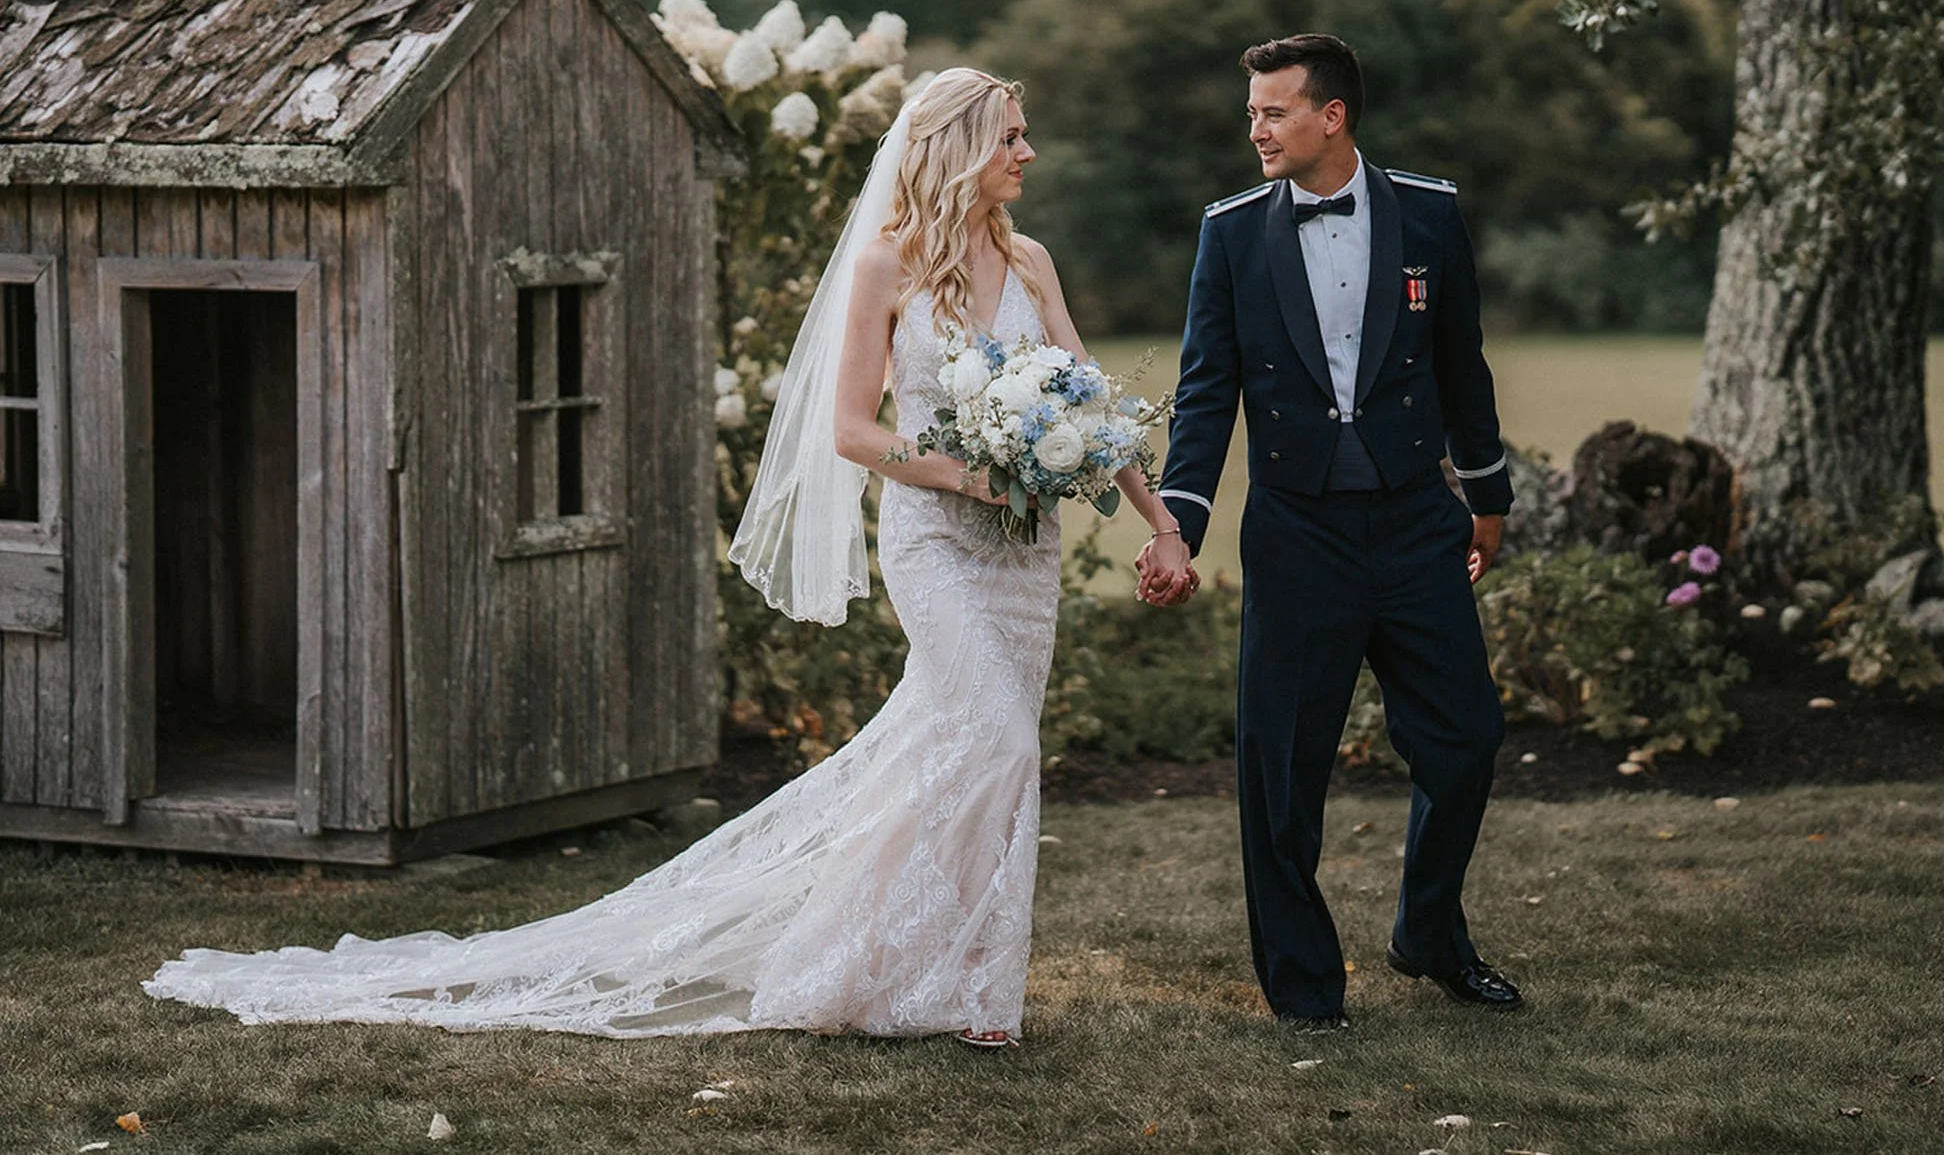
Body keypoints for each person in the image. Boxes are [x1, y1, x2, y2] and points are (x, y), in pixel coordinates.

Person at [144, 67, 1189, 1048]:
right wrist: (970, 476)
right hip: (940, 545)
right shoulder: (888, 262)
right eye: (1013, 135)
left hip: (1022, 555)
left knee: (966, 757)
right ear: (962, 147)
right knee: (992, 740)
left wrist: (1161, 523)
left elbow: (1088, 411)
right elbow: (852, 434)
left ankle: (951, 985)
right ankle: (880, 967)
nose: (1030, 151)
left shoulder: (1029, 262)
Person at [1136, 34, 1522, 1026]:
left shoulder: (1429, 215)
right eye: (1254, 111)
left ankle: (1427, 932)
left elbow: (1461, 366)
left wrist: (1485, 500)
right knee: (1281, 771)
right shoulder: (1227, 234)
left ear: (1331, 116)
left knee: (1464, 739)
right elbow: (1205, 396)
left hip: (1413, 524)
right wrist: (1177, 526)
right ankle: (1304, 990)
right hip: (1296, 534)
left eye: (1272, 111)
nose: (1253, 128)